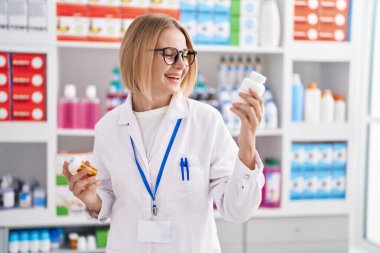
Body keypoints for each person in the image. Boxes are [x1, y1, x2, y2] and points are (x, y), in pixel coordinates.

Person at [62, 13, 265, 253]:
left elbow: (237, 210)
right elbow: (107, 198)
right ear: (137, 55)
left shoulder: (205, 121)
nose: (182, 65)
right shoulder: (108, 128)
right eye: (170, 54)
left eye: (186, 55)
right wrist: (90, 198)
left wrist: (247, 144)